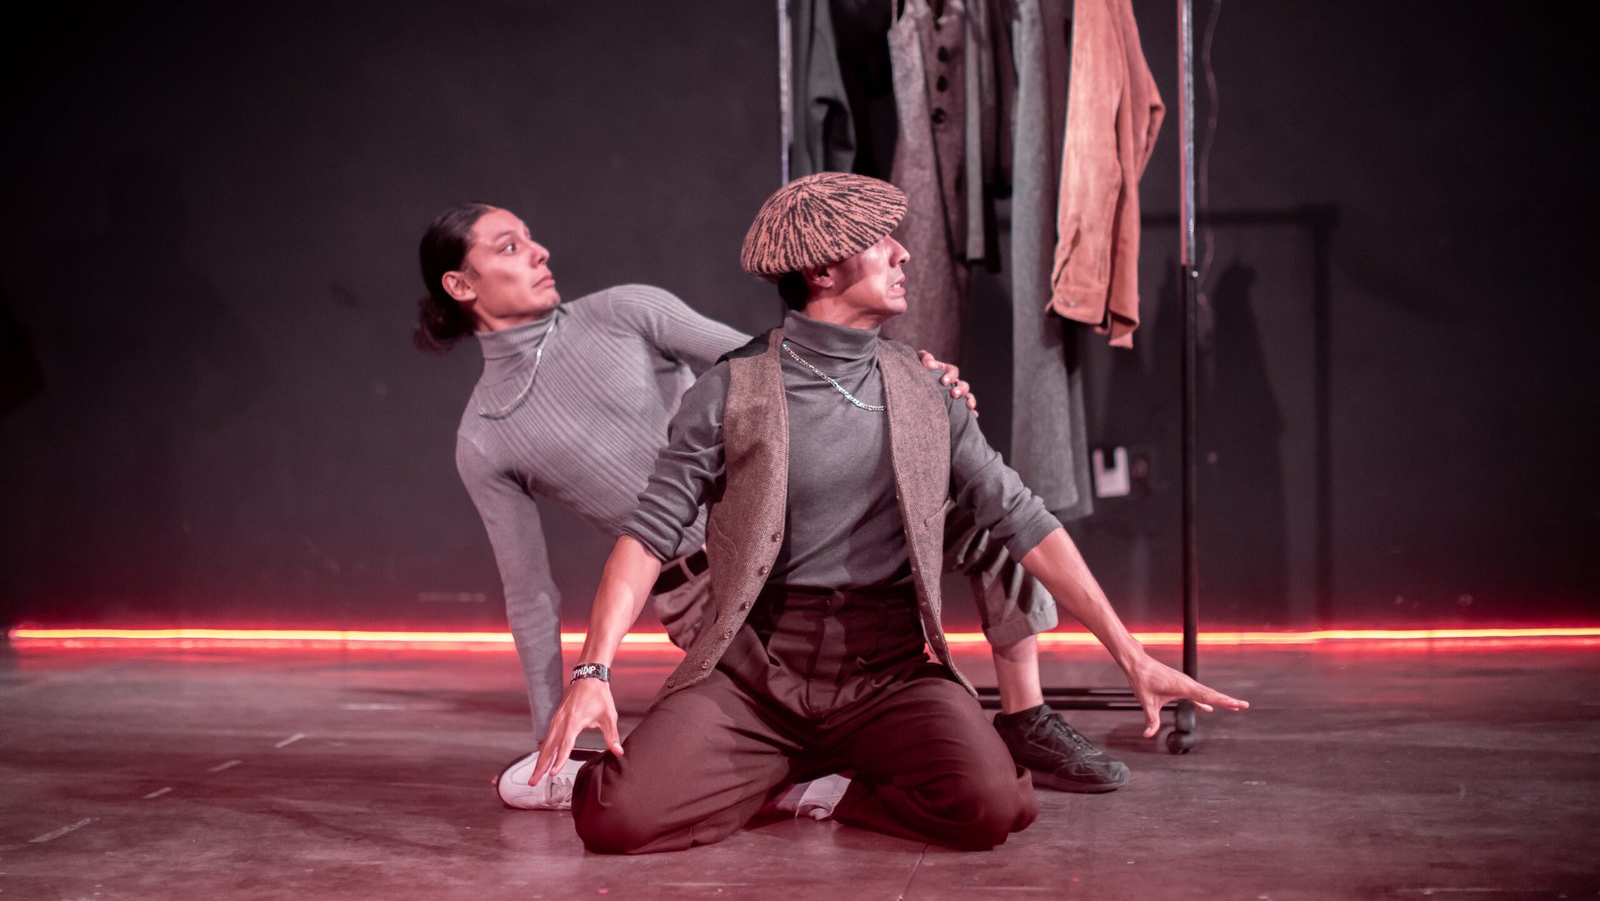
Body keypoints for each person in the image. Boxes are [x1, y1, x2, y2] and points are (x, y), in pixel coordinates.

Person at [531, 172, 1248, 853]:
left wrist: (1130, 654)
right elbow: (647, 535)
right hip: (755, 673)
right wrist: (592, 671)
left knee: (995, 805)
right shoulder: (729, 391)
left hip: (886, 670)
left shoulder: (927, 389)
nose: (904, 253)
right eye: (880, 240)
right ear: (822, 270)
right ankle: (769, 772)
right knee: (614, 816)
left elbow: (1021, 518)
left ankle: (824, 791)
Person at [414, 201, 1127, 810]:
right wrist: (554, 735)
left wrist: (907, 379)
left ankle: (1025, 715)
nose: (539, 250)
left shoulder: (624, 310)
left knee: (982, 501)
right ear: (460, 284)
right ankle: (805, 779)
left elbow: (785, 364)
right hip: (705, 591)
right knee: (682, 777)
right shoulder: (485, 437)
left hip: (799, 525)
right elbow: (531, 596)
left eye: (530, 237)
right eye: (509, 247)